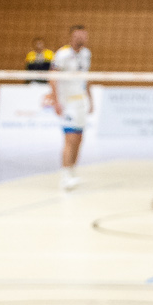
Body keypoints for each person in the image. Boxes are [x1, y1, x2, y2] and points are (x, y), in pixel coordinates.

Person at [52, 24, 91, 190]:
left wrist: (91, 99)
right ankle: (65, 175)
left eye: (83, 36)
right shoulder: (62, 54)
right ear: (71, 37)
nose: (80, 39)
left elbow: (87, 78)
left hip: (81, 102)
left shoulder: (87, 54)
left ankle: (72, 172)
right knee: (70, 139)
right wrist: (55, 101)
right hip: (67, 102)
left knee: (79, 139)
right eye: (77, 36)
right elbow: (52, 77)